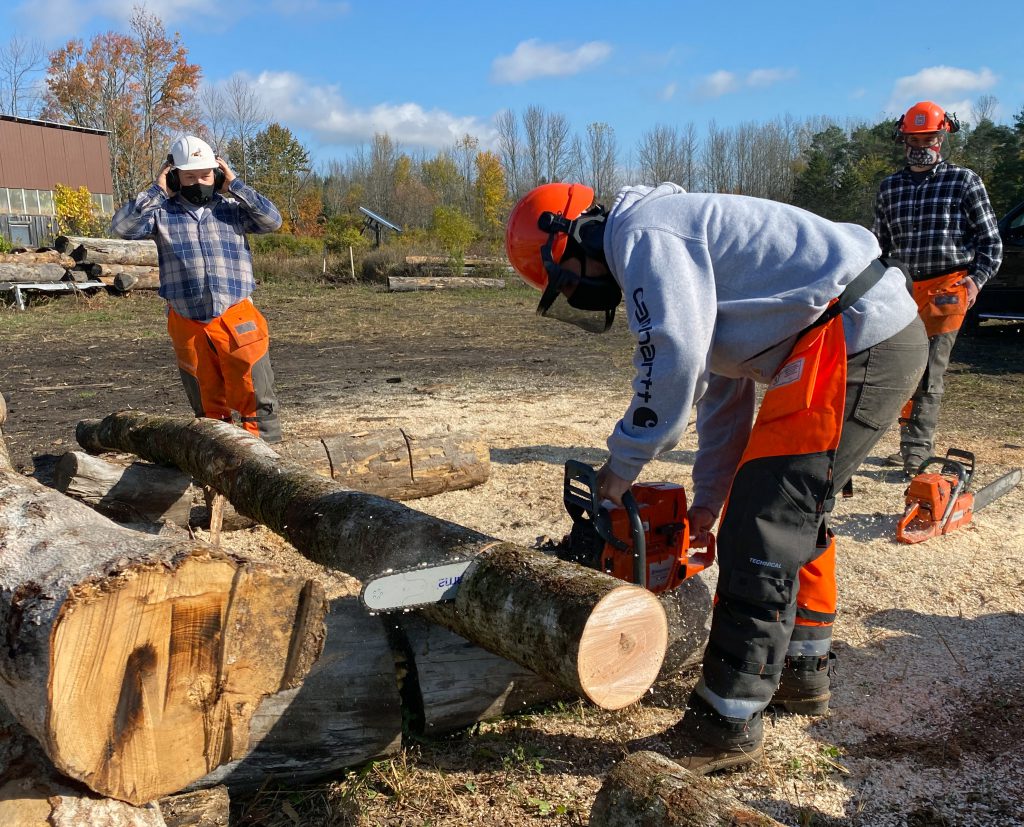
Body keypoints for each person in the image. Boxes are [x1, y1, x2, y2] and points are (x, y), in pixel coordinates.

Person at [505, 181, 929, 774]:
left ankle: (725, 721)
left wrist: (620, 468)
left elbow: (672, 357)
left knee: (764, 527)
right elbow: (722, 395)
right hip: (840, 338)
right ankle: (801, 671)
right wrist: (709, 501)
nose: (580, 291)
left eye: (570, 277)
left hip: (858, 338)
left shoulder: (646, 234)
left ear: (572, 234)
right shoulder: (672, 243)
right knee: (787, 509)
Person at [111, 135, 284, 442]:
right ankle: (216, 456)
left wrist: (236, 185)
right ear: (175, 177)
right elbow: (121, 229)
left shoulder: (233, 208)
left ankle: (267, 458)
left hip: (236, 312)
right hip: (187, 317)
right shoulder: (162, 213)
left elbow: (272, 221)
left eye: (205, 175)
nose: (198, 182)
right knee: (207, 402)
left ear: (216, 174)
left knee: (255, 389)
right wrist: (157, 190)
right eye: (189, 177)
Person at [874, 101, 1003, 476]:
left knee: (928, 372)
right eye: (913, 139)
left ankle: (917, 452)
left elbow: (991, 243)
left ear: (942, 136)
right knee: (901, 368)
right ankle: (907, 446)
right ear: (902, 140)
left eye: (928, 137)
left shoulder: (964, 181)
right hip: (901, 288)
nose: (920, 145)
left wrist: (976, 279)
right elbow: (880, 246)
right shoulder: (890, 187)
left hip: (947, 286)